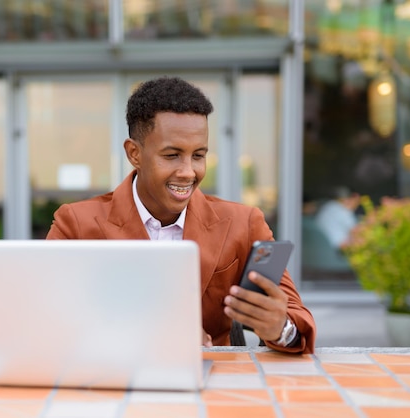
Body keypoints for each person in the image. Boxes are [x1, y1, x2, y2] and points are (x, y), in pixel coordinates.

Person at [46, 76, 316, 353]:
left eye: (198, 155)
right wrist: (155, 333)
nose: (188, 172)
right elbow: (44, 320)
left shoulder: (244, 224)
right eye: (172, 155)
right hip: (112, 382)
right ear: (134, 153)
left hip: (214, 387)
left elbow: (298, 322)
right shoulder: (76, 225)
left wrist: (279, 328)